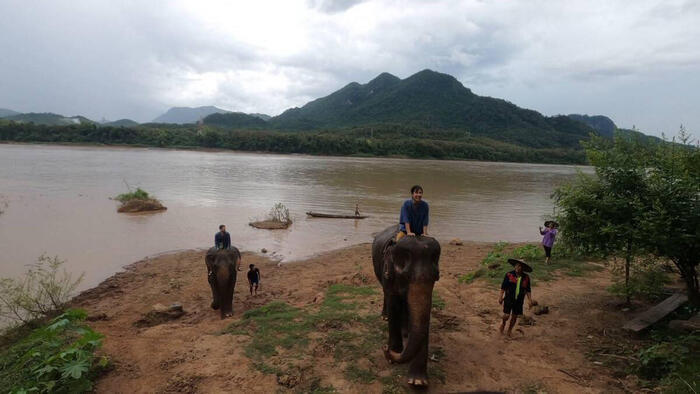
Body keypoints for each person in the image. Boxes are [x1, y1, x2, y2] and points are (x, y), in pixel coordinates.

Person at [499, 258, 533, 337]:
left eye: (520, 266)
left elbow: (528, 290)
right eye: (517, 266)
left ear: (523, 268)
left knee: (514, 316)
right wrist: (500, 297)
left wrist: (530, 300)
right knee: (506, 316)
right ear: (514, 266)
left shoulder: (526, 278)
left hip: (519, 300)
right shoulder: (509, 274)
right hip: (509, 298)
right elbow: (503, 287)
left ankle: (509, 330)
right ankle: (503, 323)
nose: (518, 268)